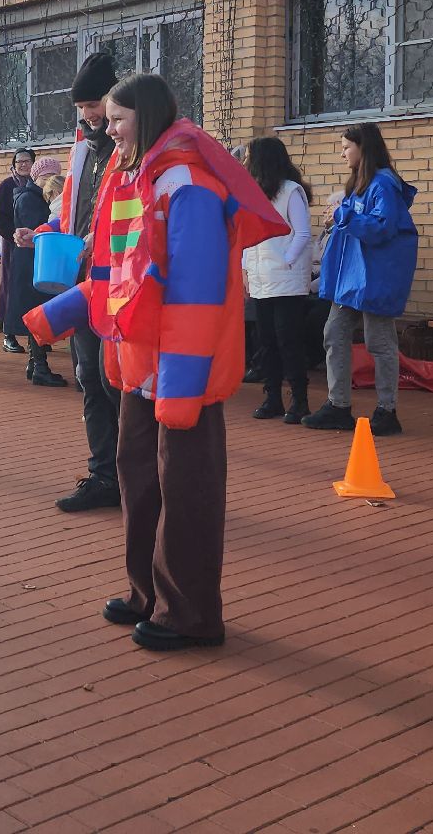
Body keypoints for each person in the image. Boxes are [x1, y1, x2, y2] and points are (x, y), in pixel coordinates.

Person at [25, 74, 287, 651]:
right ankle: (148, 594)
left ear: (145, 116)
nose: (105, 128)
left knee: (186, 490)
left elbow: (195, 297)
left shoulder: (188, 185)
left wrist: (182, 387)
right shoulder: (132, 177)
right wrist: (58, 315)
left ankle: (191, 614)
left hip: (177, 376)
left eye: (115, 119)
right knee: (138, 480)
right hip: (139, 368)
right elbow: (118, 278)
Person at [16, 52, 122, 511]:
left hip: (121, 287)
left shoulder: (133, 151)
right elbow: (68, 211)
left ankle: (136, 477)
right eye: (81, 108)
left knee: (117, 381)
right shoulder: (81, 152)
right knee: (90, 379)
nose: (88, 116)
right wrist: (40, 231)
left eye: (93, 105)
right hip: (84, 285)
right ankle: (105, 477)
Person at [303, 123, 418, 436]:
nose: (342, 154)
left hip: (375, 278)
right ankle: (338, 405)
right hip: (353, 279)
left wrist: (342, 215)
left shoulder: (383, 183)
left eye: (346, 147)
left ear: (363, 147)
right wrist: (339, 217)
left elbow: (382, 228)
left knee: (379, 342)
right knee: (334, 332)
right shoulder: (361, 183)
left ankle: (387, 410)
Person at [242, 136, 315, 423]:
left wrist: (286, 261)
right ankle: (271, 397)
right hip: (261, 278)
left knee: (289, 341)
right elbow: (247, 236)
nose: (246, 162)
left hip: (285, 278)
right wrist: (246, 270)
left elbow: (302, 233)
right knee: (266, 341)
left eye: (250, 156)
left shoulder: (291, 191)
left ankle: (299, 400)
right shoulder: (253, 192)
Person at [4, 169, 68, 387]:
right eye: (45, 175)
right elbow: (46, 229)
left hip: (34, 264)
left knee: (36, 315)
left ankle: (35, 364)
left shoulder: (34, 198)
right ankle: (39, 366)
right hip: (35, 264)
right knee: (37, 316)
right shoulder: (30, 199)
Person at [0, 149, 36, 353]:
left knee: (31, 289)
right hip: (13, 245)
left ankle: (34, 335)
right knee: (10, 287)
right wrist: (14, 236)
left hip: (35, 246)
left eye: (27, 161)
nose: (23, 165)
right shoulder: (7, 186)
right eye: (19, 162)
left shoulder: (39, 184)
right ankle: (8, 334)